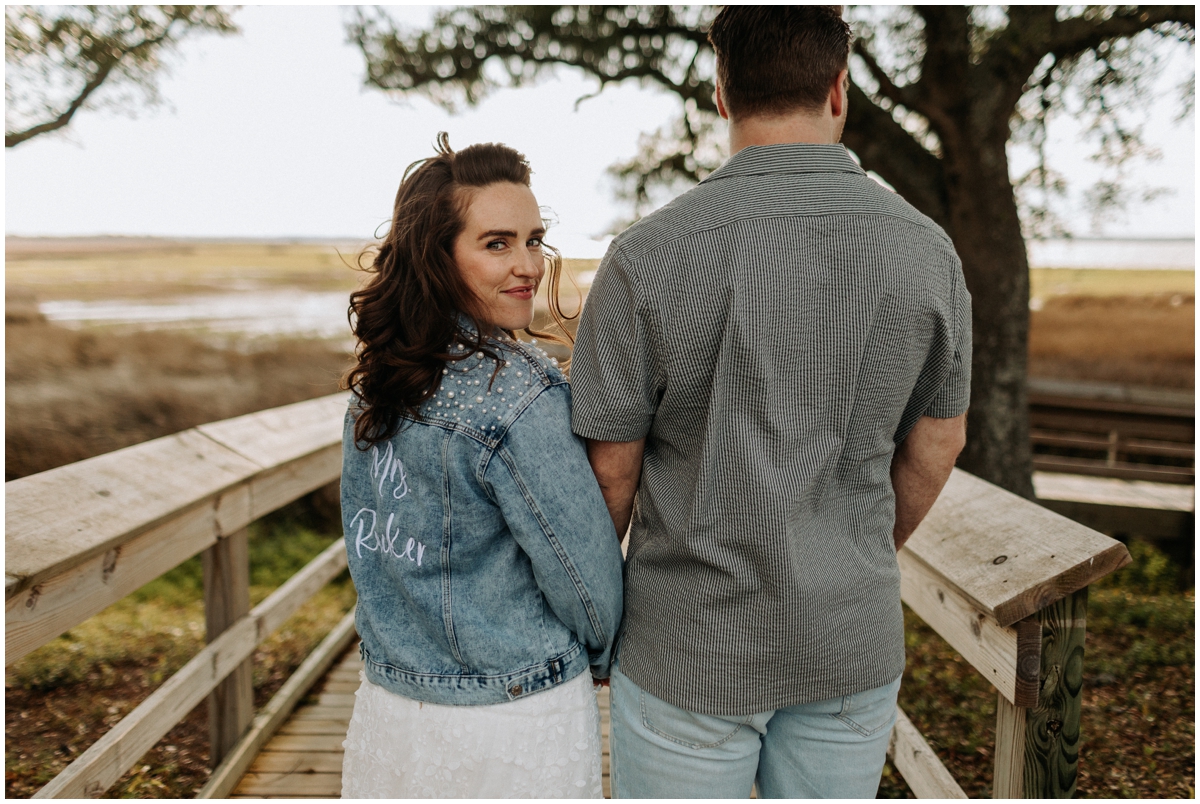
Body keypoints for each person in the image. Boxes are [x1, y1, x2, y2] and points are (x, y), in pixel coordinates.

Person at [570, 6, 971, 799]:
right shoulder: (926, 250)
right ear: (838, 89)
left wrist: (593, 620)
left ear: (722, 93)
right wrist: (852, 555)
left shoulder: (645, 256)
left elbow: (610, 477)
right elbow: (939, 444)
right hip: (846, 635)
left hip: (687, 641)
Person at [338, 133, 624, 798]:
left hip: (392, 706)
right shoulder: (520, 394)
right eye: (496, 243)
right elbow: (580, 572)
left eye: (534, 239)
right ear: (438, 256)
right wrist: (603, 649)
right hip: (515, 714)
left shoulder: (375, 382)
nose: (527, 264)